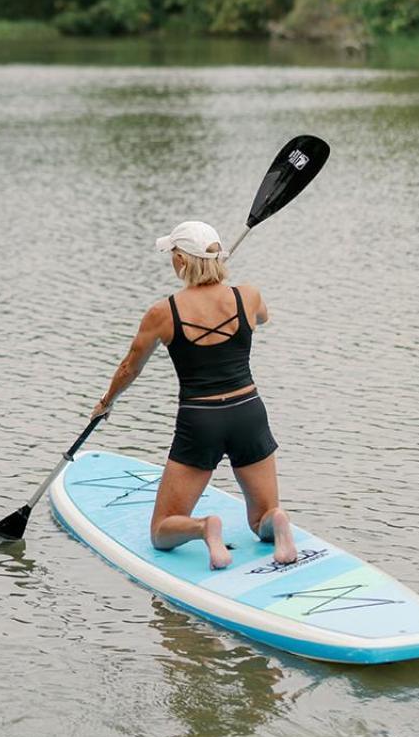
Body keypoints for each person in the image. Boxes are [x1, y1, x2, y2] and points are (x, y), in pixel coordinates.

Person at [90, 220, 297, 571]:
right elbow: (262, 318)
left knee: (161, 529)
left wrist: (106, 402)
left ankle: (205, 528)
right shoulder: (247, 295)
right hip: (249, 412)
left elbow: (129, 368)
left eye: (173, 254)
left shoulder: (162, 313)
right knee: (259, 519)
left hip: (200, 421)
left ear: (183, 262)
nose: (171, 261)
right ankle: (277, 519)